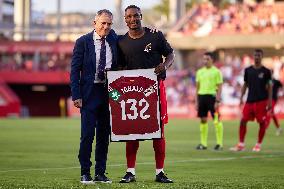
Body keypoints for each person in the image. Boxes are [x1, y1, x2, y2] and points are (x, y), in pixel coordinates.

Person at [117, 5, 175, 183]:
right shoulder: (121, 42)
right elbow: (119, 68)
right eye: (129, 17)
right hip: (133, 94)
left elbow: (170, 54)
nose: (133, 19)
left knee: (158, 131)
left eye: (136, 16)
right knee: (132, 132)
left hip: (155, 90)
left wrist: (164, 66)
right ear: (125, 19)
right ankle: (130, 172)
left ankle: (160, 172)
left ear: (141, 16)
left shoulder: (155, 35)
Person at [70, 9, 118, 184]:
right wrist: (76, 94)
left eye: (109, 24)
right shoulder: (82, 42)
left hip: (109, 94)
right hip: (89, 94)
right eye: (103, 23)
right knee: (87, 135)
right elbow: (75, 70)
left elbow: (132, 39)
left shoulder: (114, 38)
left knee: (104, 136)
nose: (106, 27)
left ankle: (100, 172)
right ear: (95, 23)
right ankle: (85, 172)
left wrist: (151, 31)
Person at [230, 49, 272, 152]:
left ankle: (258, 144)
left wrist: (269, 102)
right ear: (253, 57)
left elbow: (270, 86)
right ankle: (241, 144)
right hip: (250, 100)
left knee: (262, 123)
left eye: (259, 55)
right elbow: (245, 84)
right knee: (243, 121)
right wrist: (241, 97)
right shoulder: (248, 70)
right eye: (255, 55)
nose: (257, 57)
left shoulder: (266, 71)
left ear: (262, 57)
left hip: (262, 101)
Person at [195, 52, 224, 151]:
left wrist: (218, 100)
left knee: (216, 120)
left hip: (212, 98)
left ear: (212, 60)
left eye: (207, 59)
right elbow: (197, 88)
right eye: (204, 59)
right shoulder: (199, 72)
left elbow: (220, 87)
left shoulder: (217, 72)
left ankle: (219, 144)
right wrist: (196, 101)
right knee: (203, 120)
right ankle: (203, 144)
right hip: (202, 97)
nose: (205, 61)